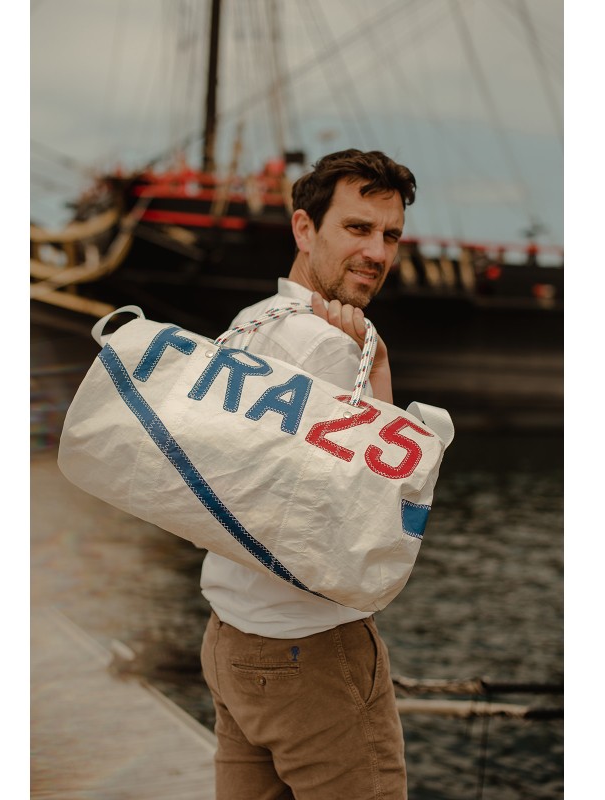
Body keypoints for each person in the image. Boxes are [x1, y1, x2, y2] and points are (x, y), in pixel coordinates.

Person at [200, 149, 417, 800]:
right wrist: (378, 372)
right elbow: (369, 525)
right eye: (357, 228)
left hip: (231, 636)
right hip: (311, 650)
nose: (377, 252)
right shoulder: (331, 348)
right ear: (303, 228)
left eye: (391, 236)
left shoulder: (248, 325)